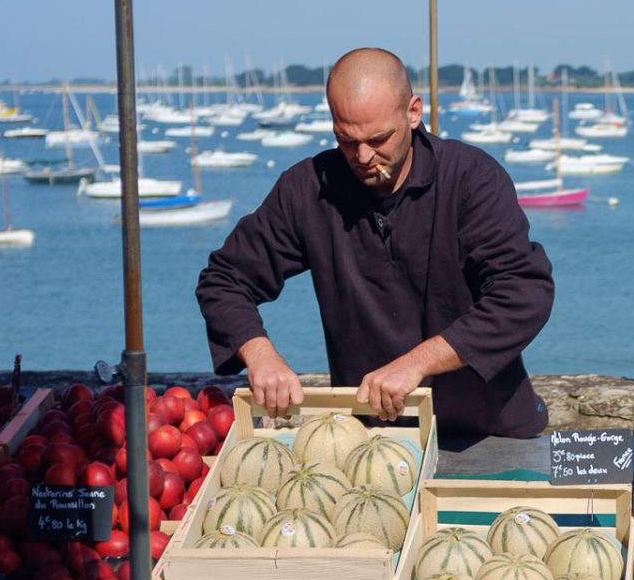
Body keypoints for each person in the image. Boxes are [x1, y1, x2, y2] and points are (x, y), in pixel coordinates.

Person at [196, 48, 554, 437]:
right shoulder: (306, 190)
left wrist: (416, 363)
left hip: (488, 431)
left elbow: (523, 294)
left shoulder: (472, 179)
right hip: (370, 435)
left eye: (378, 138)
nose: (364, 156)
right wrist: (259, 353)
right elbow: (224, 279)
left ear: (413, 113)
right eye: (346, 139)